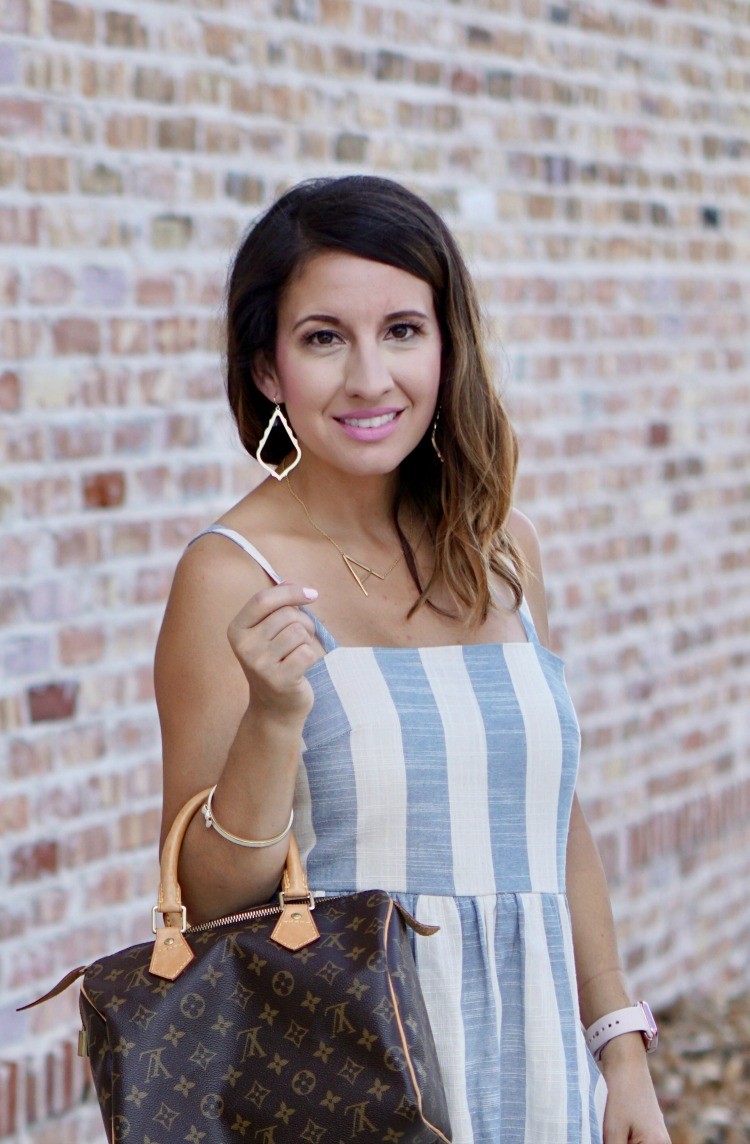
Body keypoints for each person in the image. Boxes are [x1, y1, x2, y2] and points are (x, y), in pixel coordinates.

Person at [155, 175, 671, 1144]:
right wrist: (273, 717)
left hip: (537, 1068)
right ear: (266, 367)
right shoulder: (230, 576)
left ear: (446, 344)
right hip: (355, 1077)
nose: (368, 378)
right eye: (323, 338)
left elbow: (550, 816)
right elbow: (208, 895)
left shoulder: (501, 547)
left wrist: (619, 1047)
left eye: (402, 330)